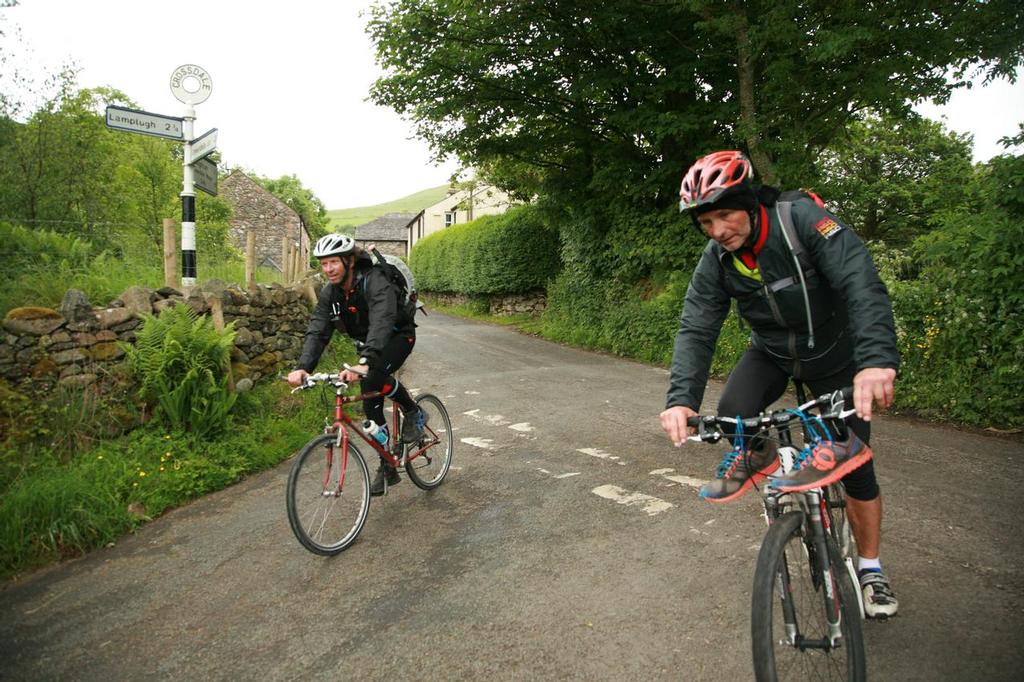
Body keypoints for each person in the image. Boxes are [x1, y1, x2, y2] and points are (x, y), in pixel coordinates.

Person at [659, 150, 899, 618]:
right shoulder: (719, 260)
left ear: (750, 203)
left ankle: (871, 569)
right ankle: (768, 456)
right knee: (733, 415)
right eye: (706, 222)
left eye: (725, 215)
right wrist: (681, 401)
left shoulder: (801, 220)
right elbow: (696, 327)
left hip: (836, 356)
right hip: (772, 354)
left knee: (853, 463)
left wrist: (875, 363)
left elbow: (860, 281)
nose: (718, 230)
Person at [287, 234, 427, 496]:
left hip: (398, 335)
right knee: (369, 401)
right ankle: (386, 461)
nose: (328, 269)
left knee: (373, 378)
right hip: (369, 345)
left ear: (349, 261)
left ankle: (414, 411)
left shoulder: (375, 281)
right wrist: (303, 366)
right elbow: (318, 330)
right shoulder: (331, 294)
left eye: (333, 263)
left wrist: (365, 361)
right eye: (324, 264)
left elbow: (383, 319)